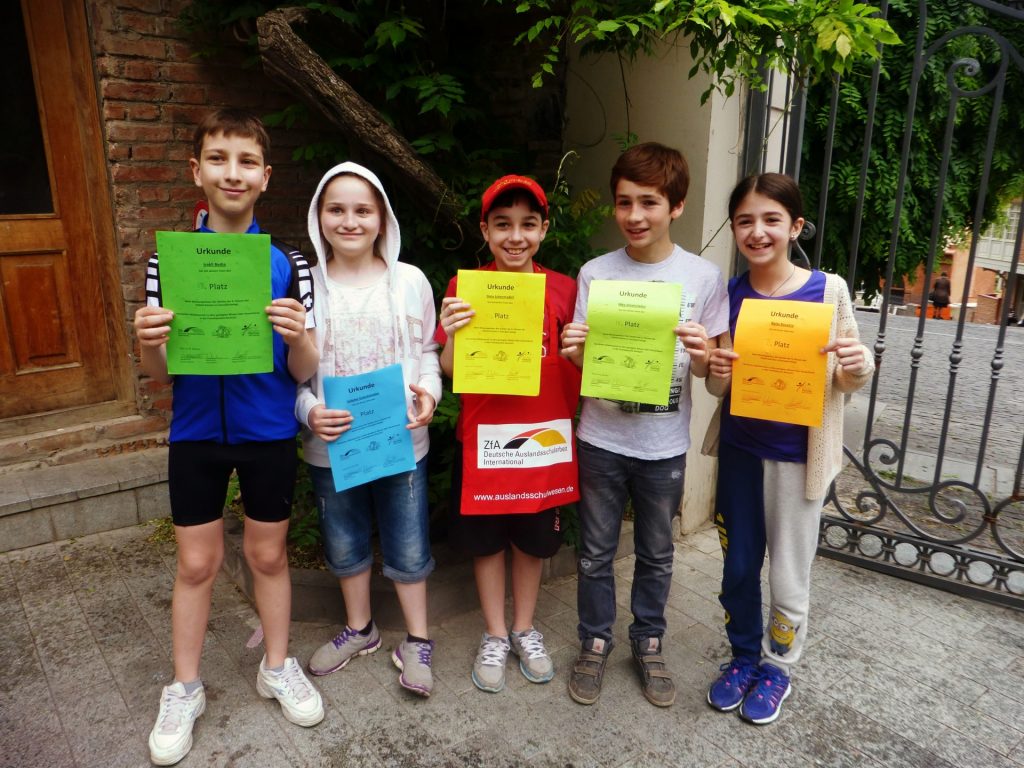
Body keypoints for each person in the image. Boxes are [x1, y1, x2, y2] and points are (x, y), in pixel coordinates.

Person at [134, 109, 323, 766]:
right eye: (218, 158)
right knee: (195, 564)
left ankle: (277, 666)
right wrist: (147, 342)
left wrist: (297, 337)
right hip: (194, 433)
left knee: (268, 557)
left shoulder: (290, 263)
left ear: (266, 177)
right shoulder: (168, 261)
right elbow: (159, 372)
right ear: (197, 171)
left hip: (267, 432)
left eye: (246, 161)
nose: (232, 172)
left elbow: (305, 367)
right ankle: (184, 688)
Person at [559, 143, 729, 708]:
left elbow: (711, 375)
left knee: (657, 552)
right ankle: (594, 641)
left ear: (676, 206)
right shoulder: (596, 272)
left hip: (664, 445)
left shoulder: (703, 276)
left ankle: (648, 641)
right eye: (624, 202)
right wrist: (575, 351)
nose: (634, 215)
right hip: (601, 438)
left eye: (649, 202)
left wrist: (705, 354)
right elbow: (585, 363)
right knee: (595, 552)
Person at [701, 172, 874, 725]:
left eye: (771, 219)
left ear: (795, 226)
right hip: (740, 453)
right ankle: (742, 657)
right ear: (734, 228)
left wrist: (858, 366)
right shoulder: (730, 293)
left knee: (788, 574)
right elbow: (718, 387)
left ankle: (777, 666)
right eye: (745, 221)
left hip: (798, 461)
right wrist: (716, 368)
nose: (758, 231)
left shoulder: (828, 290)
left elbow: (849, 372)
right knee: (738, 566)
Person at [298, 162, 441, 697]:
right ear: (318, 217)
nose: (350, 221)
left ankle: (418, 639)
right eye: (336, 209)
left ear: (383, 218)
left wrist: (430, 395)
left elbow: (429, 351)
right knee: (343, 541)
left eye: (363, 210)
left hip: (402, 443)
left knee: (409, 543)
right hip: (331, 447)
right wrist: (309, 411)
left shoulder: (411, 281)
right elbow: (290, 372)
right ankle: (360, 629)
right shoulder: (305, 286)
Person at [435, 175, 582, 693]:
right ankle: (495, 633)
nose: (515, 236)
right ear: (485, 230)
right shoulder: (464, 287)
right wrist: (452, 333)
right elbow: (450, 371)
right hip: (485, 438)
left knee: (533, 543)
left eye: (527, 224)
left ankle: (524, 628)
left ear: (544, 229)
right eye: (502, 225)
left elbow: (579, 364)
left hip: (544, 438)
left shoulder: (565, 289)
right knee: (487, 543)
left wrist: (579, 348)